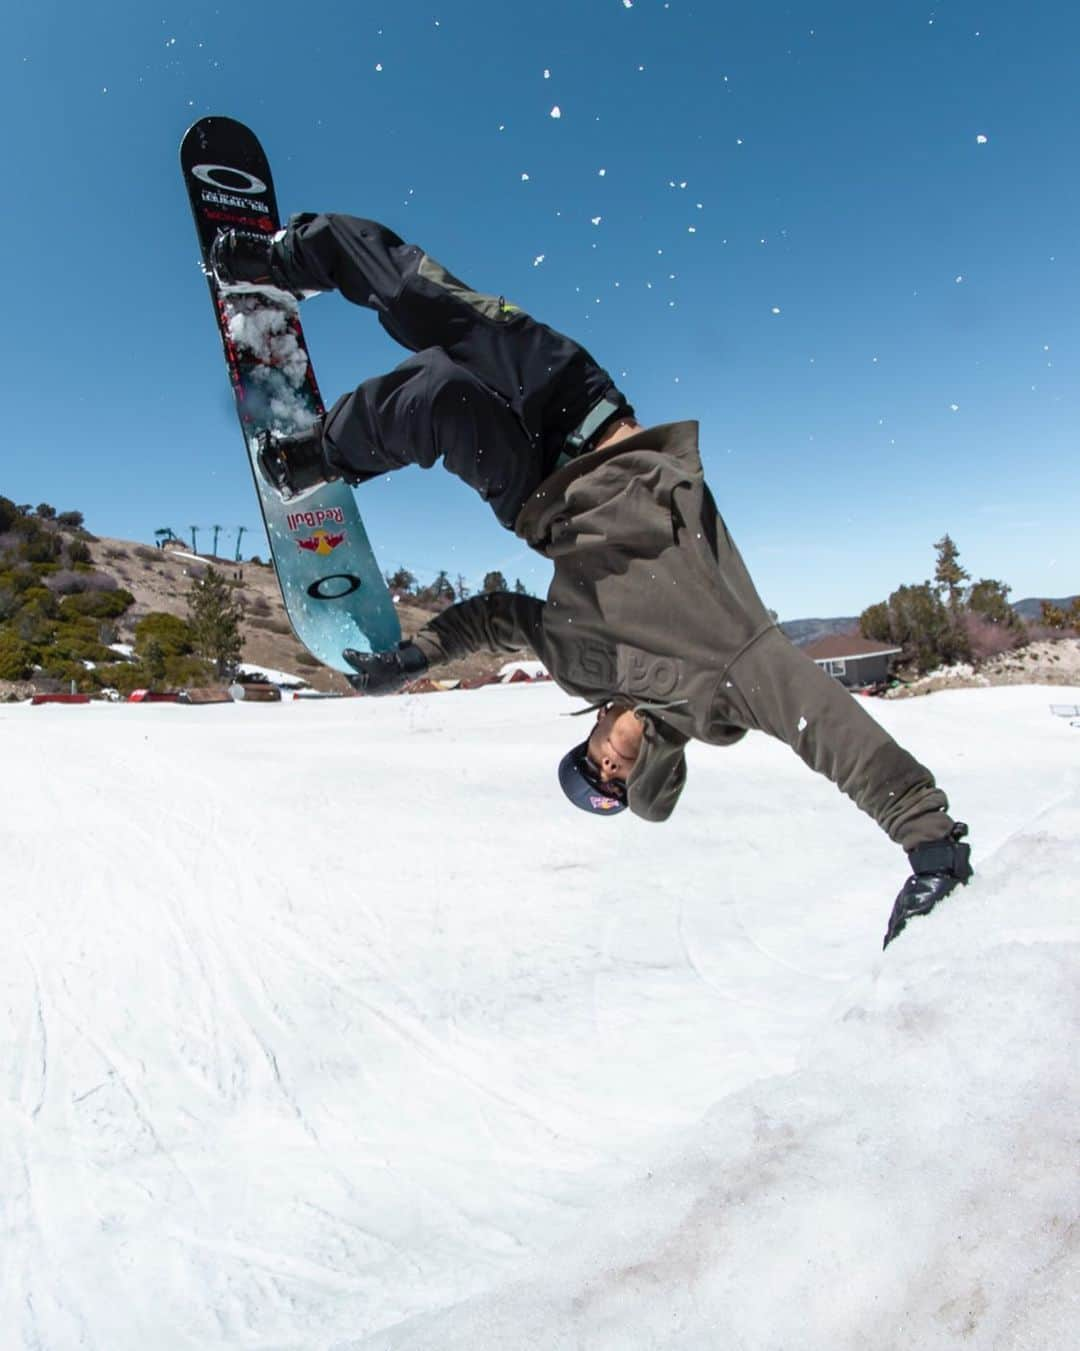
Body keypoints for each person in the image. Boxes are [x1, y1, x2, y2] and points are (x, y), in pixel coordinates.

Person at [210, 215, 973, 948]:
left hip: (537, 499)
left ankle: (322, 457)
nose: (608, 757)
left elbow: (501, 618)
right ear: (655, 768)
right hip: (585, 413)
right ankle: (287, 259)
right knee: (428, 304)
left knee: (436, 396)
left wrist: (416, 661)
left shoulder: (582, 670)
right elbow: (825, 726)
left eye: (595, 763)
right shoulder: (723, 683)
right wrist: (928, 841)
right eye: (617, 772)